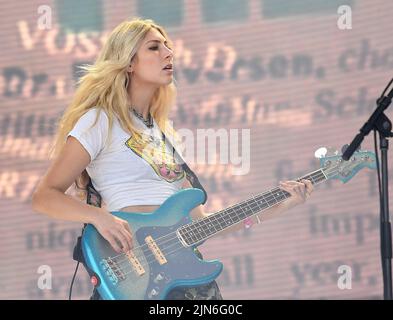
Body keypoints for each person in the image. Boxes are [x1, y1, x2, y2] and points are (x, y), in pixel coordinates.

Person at [32, 18, 314, 300]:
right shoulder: (100, 120)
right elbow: (45, 196)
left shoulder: (162, 135)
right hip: (136, 277)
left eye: (168, 46)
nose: (169, 53)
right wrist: (99, 217)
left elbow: (201, 223)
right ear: (128, 62)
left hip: (185, 283)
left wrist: (280, 205)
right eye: (154, 47)